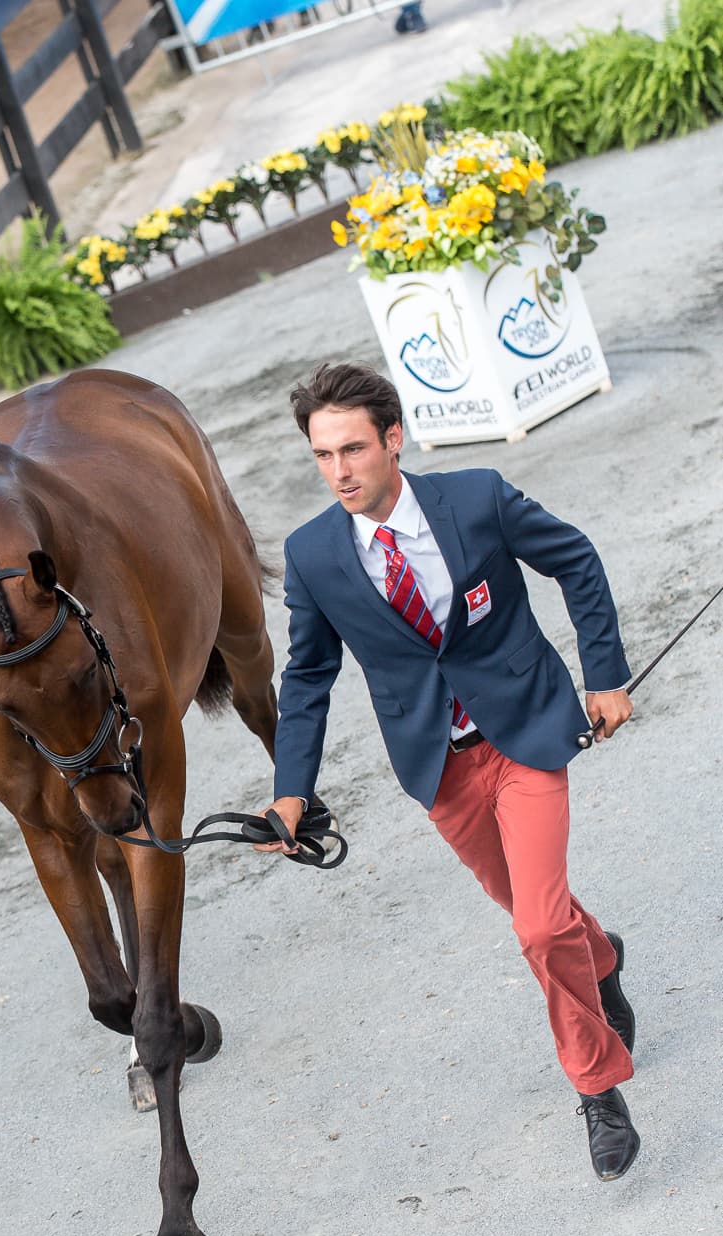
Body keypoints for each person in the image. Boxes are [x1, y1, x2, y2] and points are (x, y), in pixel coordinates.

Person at [257, 362, 640, 1182]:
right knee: (538, 914)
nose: (338, 471)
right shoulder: (313, 555)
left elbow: (574, 559)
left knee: (537, 929)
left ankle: (596, 1086)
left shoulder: (476, 499)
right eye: (322, 455)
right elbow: (308, 676)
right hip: (438, 768)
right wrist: (290, 792)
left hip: (525, 733)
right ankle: (600, 957)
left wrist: (603, 676)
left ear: (393, 439)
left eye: (353, 449)